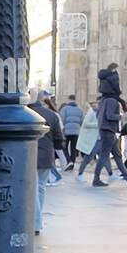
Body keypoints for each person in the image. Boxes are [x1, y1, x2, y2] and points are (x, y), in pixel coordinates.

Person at [28, 87, 65, 234]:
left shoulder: (24, 114)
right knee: (41, 187)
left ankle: (35, 222)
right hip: (46, 154)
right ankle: (37, 220)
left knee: (33, 188)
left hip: (30, 154)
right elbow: (58, 138)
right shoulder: (51, 115)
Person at [91, 91, 127, 187]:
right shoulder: (111, 101)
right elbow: (109, 116)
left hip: (108, 130)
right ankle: (96, 179)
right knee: (103, 155)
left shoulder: (103, 101)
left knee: (117, 155)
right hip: (108, 130)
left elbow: (100, 116)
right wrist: (122, 117)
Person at [75, 101, 109, 179]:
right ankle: (80, 174)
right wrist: (98, 125)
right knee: (89, 157)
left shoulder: (102, 113)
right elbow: (85, 124)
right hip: (94, 139)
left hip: (100, 138)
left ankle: (110, 174)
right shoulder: (91, 113)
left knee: (104, 156)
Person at [59, 94, 84, 170]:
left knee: (64, 147)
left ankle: (68, 161)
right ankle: (72, 163)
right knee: (73, 148)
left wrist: (61, 129)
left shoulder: (65, 109)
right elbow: (82, 121)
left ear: (69, 100)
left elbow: (61, 120)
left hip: (66, 131)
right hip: (76, 131)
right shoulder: (80, 110)